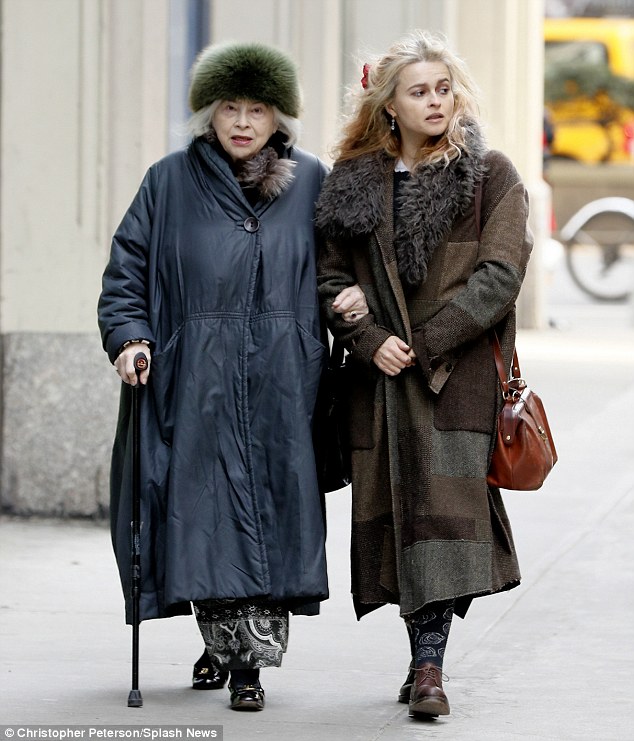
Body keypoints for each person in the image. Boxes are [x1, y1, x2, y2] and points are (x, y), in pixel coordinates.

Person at [98, 41, 339, 712]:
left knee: (268, 514)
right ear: (210, 112)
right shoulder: (168, 181)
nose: (241, 121)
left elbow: (341, 269)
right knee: (204, 519)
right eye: (229, 107)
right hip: (192, 382)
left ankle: (245, 659)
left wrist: (351, 309)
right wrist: (130, 337)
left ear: (277, 116)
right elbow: (127, 273)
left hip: (285, 383)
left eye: (256, 109)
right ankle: (233, 653)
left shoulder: (311, 180)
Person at [315, 29, 533, 719]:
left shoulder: (489, 175)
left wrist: (425, 341)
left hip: (456, 380)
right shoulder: (351, 185)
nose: (436, 101)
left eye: (444, 88)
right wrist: (363, 333)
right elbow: (327, 278)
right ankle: (423, 656)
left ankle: (429, 664)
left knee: (445, 525)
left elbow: (501, 275)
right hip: (377, 387)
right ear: (390, 106)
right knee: (396, 525)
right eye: (420, 91)